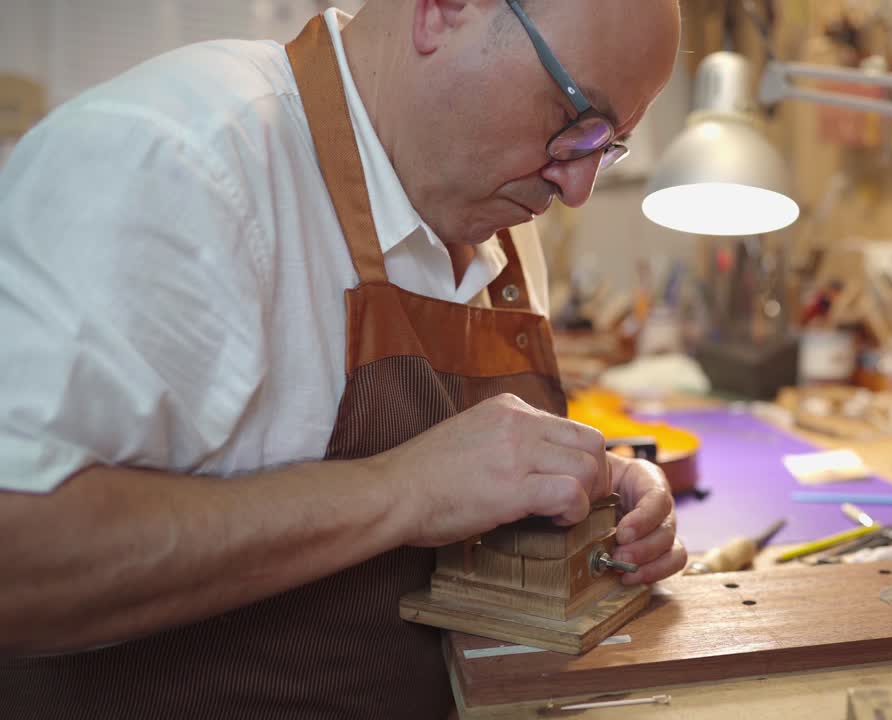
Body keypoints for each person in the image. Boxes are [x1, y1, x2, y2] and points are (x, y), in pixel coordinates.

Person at [0, 1, 685, 717]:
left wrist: (590, 488)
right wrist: (402, 491)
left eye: (607, 146)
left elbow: (473, 481)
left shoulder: (498, 215)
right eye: (575, 118)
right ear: (442, 11)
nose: (576, 189)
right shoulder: (175, 163)